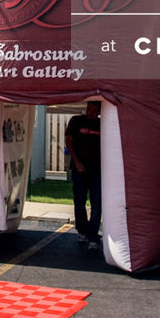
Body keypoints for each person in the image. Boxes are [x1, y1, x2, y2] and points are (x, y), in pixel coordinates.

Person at [65, 100, 101, 251]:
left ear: (99, 111)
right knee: (79, 200)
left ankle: (93, 234)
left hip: (97, 169)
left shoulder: (102, 124)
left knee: (97, 202)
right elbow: (68, 142)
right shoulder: (76, 121)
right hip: (79, 168)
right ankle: (82, 231)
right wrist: (77, 162)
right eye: (89, 109)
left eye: (94, 111)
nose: (91, 113)